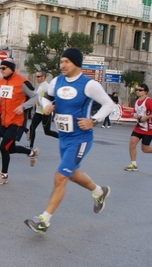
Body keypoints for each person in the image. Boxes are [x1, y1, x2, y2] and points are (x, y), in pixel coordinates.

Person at [24, 48, 115, 234]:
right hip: (64, 137)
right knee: (72, 174)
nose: (62, 65)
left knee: (60, 176)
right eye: (61, 61)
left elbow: (109, 104)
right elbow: (46, 98)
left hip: (80, 139)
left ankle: (44, 220)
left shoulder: (89, 85)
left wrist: (94, 120)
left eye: (67, 61)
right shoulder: (57, 81)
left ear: (77, 63)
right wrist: (48, 106)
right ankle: (99, 192)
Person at [0, 59, 39, 185]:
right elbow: (3, 94)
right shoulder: (1, 82)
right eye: (0, 68)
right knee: (10, 149)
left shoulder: (22, 82)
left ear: (12, 68)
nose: (2, 70)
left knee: (3, 147)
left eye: (4, 68)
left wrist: (23, 106)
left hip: (17, 122)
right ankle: (31, 152)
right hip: (6, 120)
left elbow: (35, 97)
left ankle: (4, 175)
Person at [124, 84, 152, 171]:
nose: (138, 91)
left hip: (148, 129)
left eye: (140, 90)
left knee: (145, 149)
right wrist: (134, 114)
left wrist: (146, 117)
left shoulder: (148, 101)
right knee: (132, 142)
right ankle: (133, 164)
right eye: (137, 90)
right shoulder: (136, 101)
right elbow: (134, 111)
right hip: (139, 127)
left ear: (145, 92)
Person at [28, 71, 58, 149]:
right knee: (32, 127)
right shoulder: (40, 86)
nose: (37, 78)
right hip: (38, 112)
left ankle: (63, 137)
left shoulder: (47, 86)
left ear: (44, 77)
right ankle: (31, 146)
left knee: (47, 132)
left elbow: (51, 99)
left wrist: (40, 102)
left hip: (45, 112)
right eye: (36, 76)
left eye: (38, 77)